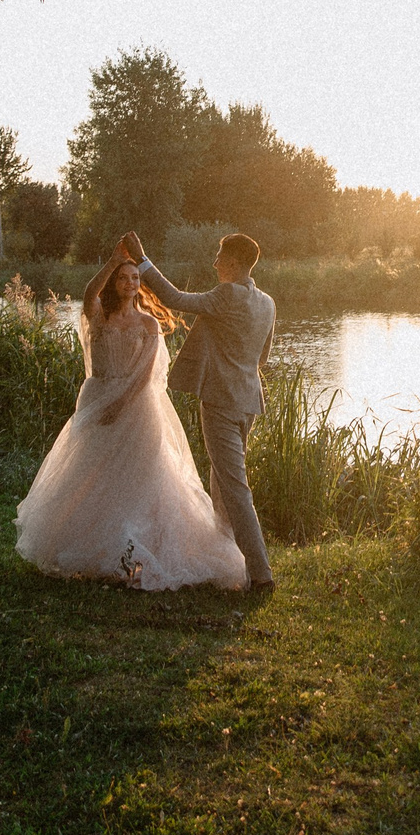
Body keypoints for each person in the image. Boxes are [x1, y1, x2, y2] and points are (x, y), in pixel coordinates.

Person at [13, 241, 248, 590]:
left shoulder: (149, 324)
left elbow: (144, 375)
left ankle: (135, 548)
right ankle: (91, 542)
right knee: (91, 472)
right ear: (114, 282)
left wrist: (119, 405)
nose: (130, 283)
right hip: (97, 396)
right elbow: (89, 292)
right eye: (123, 278)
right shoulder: (99, 316)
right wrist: (111, 261)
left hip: (137, 407)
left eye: (136, 278)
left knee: (143, 479)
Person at [122, 229, 276, 590]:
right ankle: (228, 560)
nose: (215, 262)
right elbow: (263, 358)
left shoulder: (226, 295)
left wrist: (142, 259)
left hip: (222, 401)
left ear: (235, 263)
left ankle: (261, 573)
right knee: (222, 482)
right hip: (248, 402)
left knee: (234, 487)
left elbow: (175, 298)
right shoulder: (268, 302)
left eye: (220, 256)